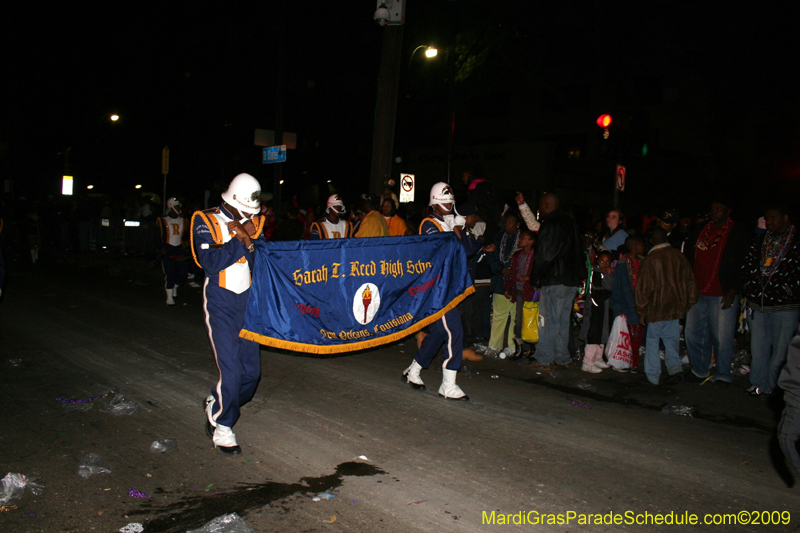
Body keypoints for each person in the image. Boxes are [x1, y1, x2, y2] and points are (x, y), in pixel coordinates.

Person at [191, 173, 266, 456]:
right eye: (247, 210)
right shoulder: (205, 219)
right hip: (221, 302)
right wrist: (239, 240)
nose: (252, 215)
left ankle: (217, 398)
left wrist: (247, 238)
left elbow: (261, 261)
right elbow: (210, 262)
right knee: (232, 371)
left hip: (248, 303)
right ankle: (222, 426)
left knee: (251, 374)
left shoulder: (253, 223)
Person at [402, 182, 487, 401]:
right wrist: (453, 227)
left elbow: (467, 250)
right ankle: (448, 385)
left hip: (449, 288)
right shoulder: (428, 224)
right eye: (444, 202)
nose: (449, 206)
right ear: (434, 203)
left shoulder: (452, 223)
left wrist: (459, 227)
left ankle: (414, 370)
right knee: (454, 331)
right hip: (434, 290)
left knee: (440, 333)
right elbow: (442, 249)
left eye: (451, 203)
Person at [684, 197, 752, 387]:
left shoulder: (737, 231)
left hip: (722, 292)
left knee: (721, 336)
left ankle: (723, 374)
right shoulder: (701, 229)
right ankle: (699, 370)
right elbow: (689, 256)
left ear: (728, 211)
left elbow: (743, 263)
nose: (714, 212)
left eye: (719, 209)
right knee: (693, 333)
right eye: (712, 209)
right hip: (697, 291)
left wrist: (733, 290)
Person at [742, 205, 800, 396]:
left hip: (785, 304)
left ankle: (774, 386)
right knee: (758, 348)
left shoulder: (796, 241)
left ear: (785, 217)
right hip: (758, 303)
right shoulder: (760, 240)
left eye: (774, 218)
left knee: (781, 351)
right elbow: (748, 264)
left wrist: (789, 289)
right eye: (767, 219)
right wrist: (750, 287)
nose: (770, 222)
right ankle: (758, 384)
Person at [636, 227, 698, 385]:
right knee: (672, 340)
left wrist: (642, 311)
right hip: (675, 307)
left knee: (652, 342)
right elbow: (690, 280)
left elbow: (643, 289)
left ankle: (653, 375)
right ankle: (675, 369)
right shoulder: (679, 256)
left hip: (656, 309)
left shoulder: (651, 259)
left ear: (651, 241)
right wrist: (689, 302)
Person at [529, 193, 585, 370]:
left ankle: (544, 358)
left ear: (547, 205)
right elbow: (579, 250)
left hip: (554, 278)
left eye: (540, 206)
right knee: (562, 320)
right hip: (569, 280)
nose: (539, 209)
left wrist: (535, 275)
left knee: (547, 320)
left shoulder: (551, 224)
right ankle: (562, 357)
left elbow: (545, 254)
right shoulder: (571, 223)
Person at [486, 212, 522, 358]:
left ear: (517, 224)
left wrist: (512, 272)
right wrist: (502, 269)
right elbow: (492, 257)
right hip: (500, 282)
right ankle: (494, 345)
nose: (508, 225)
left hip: (516, 283)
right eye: (506, 222)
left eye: (511, 222)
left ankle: (512, 347)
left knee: (515, 317)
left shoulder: (523, 239)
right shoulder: (500, 237)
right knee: (498, 316)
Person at [609, 235, 646, 371]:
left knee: (637, 337)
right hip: (627, 306)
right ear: (635, 247)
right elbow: (617, 289)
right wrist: (618, 310)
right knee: (630, 338)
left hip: (640, 305)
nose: (644, 247)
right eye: (642, 245)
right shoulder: (623, 265)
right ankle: (631, 362)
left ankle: (632, 362)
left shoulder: (643, 262)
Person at [504, 229, 537, 359]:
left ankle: (534, 349)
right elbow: (513, 274)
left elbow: (539, 273)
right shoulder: (517, 255)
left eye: (523, 238)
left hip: (532, 293)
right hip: (520, 291)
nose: (520, 240)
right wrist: (508, 288)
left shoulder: (536, 256)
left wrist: (528, 278)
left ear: (531, 241)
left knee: (531, 321)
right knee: (518, 321)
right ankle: (520, 348)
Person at [579, 250, 614, 372]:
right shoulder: (595, 273)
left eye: (607, 262)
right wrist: (608, 276)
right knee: (593, 334)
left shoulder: (606, 272)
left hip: (603, 308)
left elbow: (610, 287)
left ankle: (598, 358)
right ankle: (588, 361)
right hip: (594, 308)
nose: (604, 264)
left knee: (602, 332)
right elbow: (602, 290)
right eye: (602, 261)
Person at [156, 198, 191, 306]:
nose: (178, 209)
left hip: (179, 249)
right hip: (168, 249)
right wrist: (160, 247)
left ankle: (175, 285)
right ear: (171, 207)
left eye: (179, 206)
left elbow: (186, 236)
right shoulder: (162, 220)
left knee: (183, 273)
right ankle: (169, 297)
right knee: (170, 273)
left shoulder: (184, 220)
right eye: (176, 206)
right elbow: (157, 236)